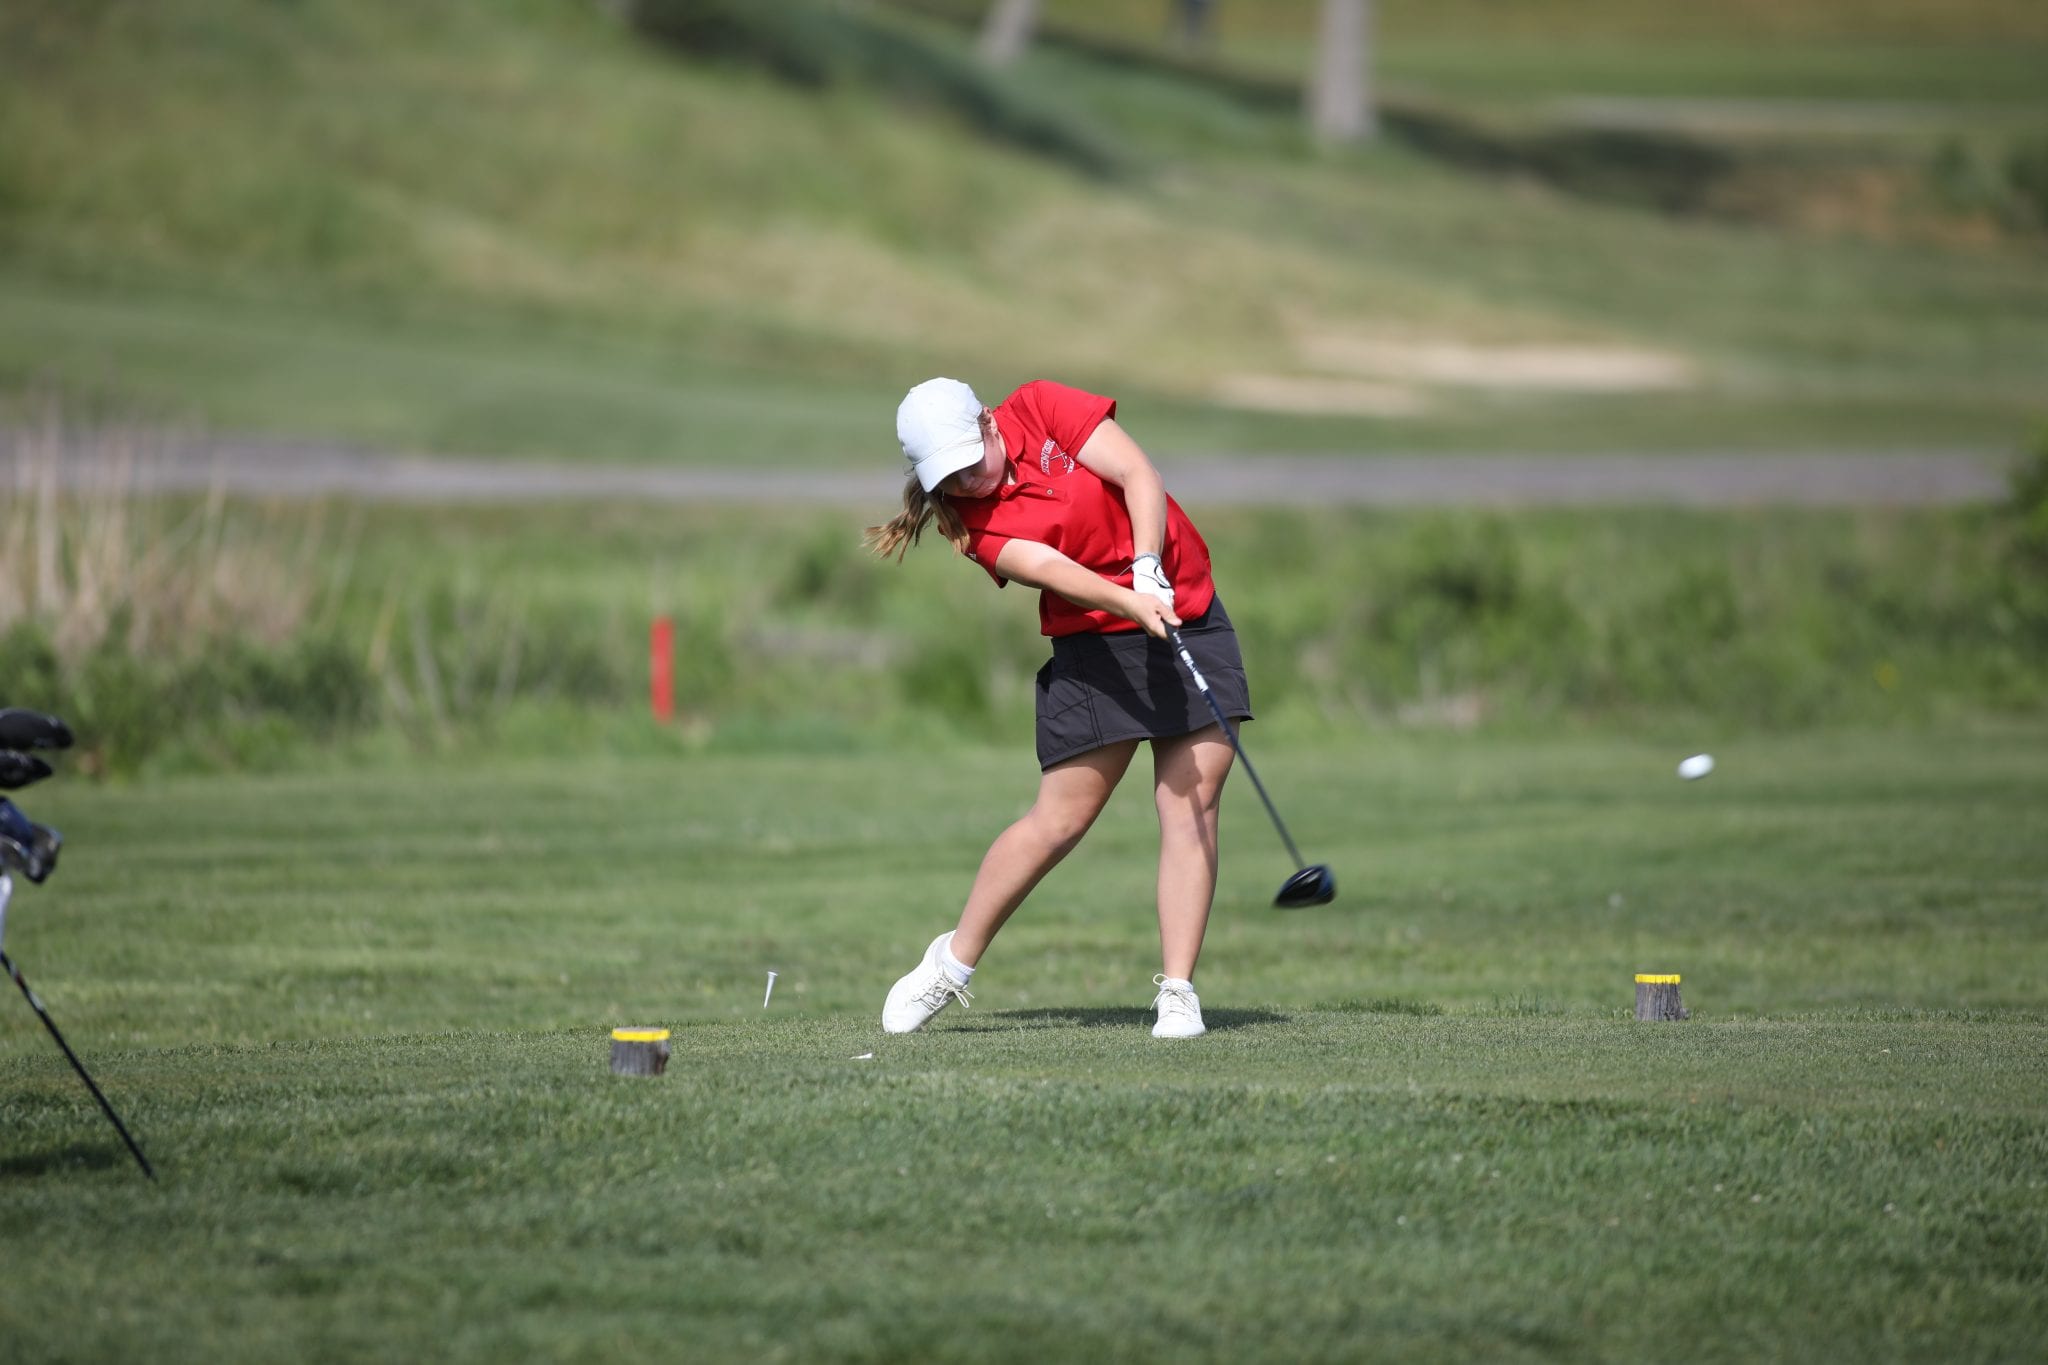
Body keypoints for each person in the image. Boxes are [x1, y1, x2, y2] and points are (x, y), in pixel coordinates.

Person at [866, 378, 1251, 1039]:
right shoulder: (973, 524)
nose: (963, 485)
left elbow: (1136, 472)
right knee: (1059, 822)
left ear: (990, 423)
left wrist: (1149, 564)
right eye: (947, 478)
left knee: (1192, 801)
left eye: (969, 464)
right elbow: (1048, 565)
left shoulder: (1041, 406)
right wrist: (1130, 598)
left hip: (1184, 606)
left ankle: (1179, 990)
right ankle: (951, 964)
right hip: (1096, 637)